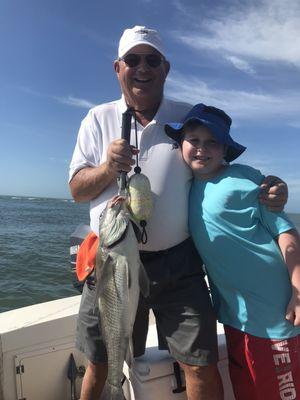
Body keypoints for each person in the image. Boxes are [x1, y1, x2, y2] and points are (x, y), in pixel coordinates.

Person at [69, 26, 288, 400]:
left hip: (178, 264)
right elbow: (77, 189)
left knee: (199, 362)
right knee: (100, 359)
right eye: (133, 60)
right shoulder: (97, 118)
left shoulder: (186, 118)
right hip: (111, 261)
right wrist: (108, 168)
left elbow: (220, 168)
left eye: (151, 60)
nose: (142, 68)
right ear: (117, 67)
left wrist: (269, 189)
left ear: (165, 68)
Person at [165, 103, 300, 400]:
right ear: (180, 145)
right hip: (234, 317)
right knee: (247, 391)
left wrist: (298, 290)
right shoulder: (182, 186)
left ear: (225, 148)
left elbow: (286, 233)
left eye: (212, 141)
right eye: (194, 140)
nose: (202, 148)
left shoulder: (247, 178)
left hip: (275, 315)